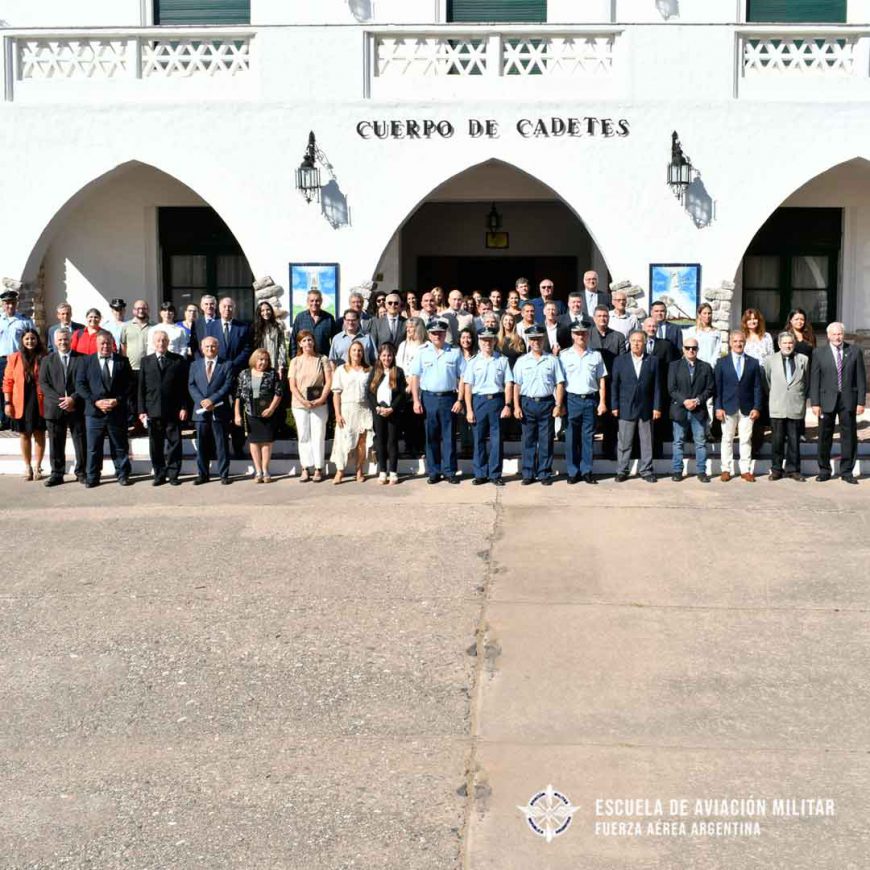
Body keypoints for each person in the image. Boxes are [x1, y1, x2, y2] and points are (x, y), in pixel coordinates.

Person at [810, 321, 867, 484]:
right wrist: (815, 403)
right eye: (834, 334)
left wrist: (861, 401)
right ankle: (824, 470)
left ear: (844, 334)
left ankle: (847, 471)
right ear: (828, 336)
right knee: (824, 436)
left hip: (848, 400)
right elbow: (815, 380)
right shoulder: (819, 353)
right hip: (825, 400)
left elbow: (861, 379)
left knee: (848, 436)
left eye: (840, 333)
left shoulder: (854, 351)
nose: (837, 337)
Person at [76, 330, 133, 487]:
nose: (105, 346)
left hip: (117, 411)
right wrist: (96, 401)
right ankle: (93, 476)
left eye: (108, 342)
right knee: (93, 447)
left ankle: (123, 474)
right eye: (102, 343)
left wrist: (117, 400)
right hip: (94, 412)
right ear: (96, 344)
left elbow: (129, 385)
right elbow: (80, 385)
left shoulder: (122, 361)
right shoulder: (86, 361)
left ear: (113, 344)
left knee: (120, 446)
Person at [409, 318, 463, 485]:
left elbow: (463, 378)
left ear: (445, 333)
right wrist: (416, 400)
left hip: (448, 398)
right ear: (429, 335)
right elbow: (415, 377)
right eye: (434, 333)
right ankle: (434, 471)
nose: (437, 335)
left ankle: (450, 471)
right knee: (431, 436)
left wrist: (460, 399)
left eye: (440, 333)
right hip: (429, 398)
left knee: (449, 436)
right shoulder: (422, 352)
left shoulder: (454, 352)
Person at [512, 324, 564, 485]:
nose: (536, 342)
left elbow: (559, 384)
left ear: (544, 340)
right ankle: (528, 473)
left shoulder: (552, 360)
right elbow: (516, 385)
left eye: (539, 339)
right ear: (528, 340)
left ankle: (544, 473)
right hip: (527, 403)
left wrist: (558, 404)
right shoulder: (522, 361)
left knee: (546, 440)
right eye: (533, 339)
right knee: (528, 440)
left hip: (547, 403)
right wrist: (516, 406)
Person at [463, 327, 513, 486]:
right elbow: (468, 387)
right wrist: (469, 410)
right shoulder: (472, 362)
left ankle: (495, 474)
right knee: (478, 439)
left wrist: (507, 404)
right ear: (479, 341)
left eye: (490, 339)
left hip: (497, 401)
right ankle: (480, 473)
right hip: (479, 402)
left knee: (497, 440)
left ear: (494, 341)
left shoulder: (502, 360)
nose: (487, 343)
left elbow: (508, 384)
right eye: (484, 340)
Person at [138, 329, 189, 486]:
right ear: (154, 343)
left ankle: (173, 474)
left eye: (164, 340)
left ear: (168, 342)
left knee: (175, 443)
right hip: (153, 410)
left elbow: (183, 387)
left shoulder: (178, 360)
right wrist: (141, 411)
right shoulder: (146, 361)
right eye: (158, 340)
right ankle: (159, 474)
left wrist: (184, 407)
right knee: (156, 445)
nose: (161, 343)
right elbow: (141, 388)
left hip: (173, 410)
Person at [612, 330, 662, 483]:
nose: (636, 343)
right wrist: (614, 406)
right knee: (624, 442)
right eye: (633, 340)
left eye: (639, 341)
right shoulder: (620, 361)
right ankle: (622, 470)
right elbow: (615, 385)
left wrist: (657, 407)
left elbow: (657, 387)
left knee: (646, 442)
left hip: (646, 408)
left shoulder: (653, 361)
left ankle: (646, 470)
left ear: (645, 343)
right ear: (629, 342)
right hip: (626, 406)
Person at [560, 322, 607, 485]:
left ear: (588, 335)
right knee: (571, 437)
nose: (581, 336)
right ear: (572, 335)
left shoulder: (596, 355)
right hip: (571, 399)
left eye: (584, 333)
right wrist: (560, 404)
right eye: (577, 333)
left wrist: (602, 402)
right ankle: (573, 472)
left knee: (588, 437)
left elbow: (601, 380)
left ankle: (586, 471)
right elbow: (559, 382)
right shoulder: (564, 355)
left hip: (590, 400)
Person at [39, 328, 86, 486]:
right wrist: (61, 401)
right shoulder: (47, 360)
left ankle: (82, 472)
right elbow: (44, 384)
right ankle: (57, 473)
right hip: (55, 408)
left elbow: (84, 383)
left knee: (80, 441)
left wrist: (72, 399)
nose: (63, 342)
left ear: (71, 340)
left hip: (76, 407)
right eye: (59, 340)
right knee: (56, 442)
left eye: (65, 339)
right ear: (54, 342)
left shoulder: (81, 359)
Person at [715, 330, 763, 482]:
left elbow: (757, 387)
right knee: (727, 439)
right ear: (730, 343)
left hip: (747, 408)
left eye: (741, 341)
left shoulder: (753, 363)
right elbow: (718, 388)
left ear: (745, 342)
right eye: (735, 341)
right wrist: (718, 407)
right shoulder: (722, 363)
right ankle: (726, 469)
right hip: (727, 406)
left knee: (745, 439)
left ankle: (745, 470)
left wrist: (757, 407)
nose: (738, 344)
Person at [287, 329, 332, 483]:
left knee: (318, 435)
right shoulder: (295, 361)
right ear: (300, 343)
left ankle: (319, 468)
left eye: (310, 340)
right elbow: (292, 386)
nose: (307, 343)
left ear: (314, 342)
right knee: (304, 436)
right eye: (304, 340)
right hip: (299, 404)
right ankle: (305, 468)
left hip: (319, 403)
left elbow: (328, 382)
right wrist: (303, 401)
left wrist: (321, 399)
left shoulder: (322, 359)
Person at [764, 332, 809, 482]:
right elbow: (767, 381)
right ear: (779, 344)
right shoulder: (770, 360)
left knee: (794, 440)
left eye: (790, 343)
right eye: (785, 343)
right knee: (777, 440)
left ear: (794, 344)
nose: (788, 345)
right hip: (777, 405)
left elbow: (806, 381)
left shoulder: (803, 359)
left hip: (795, 406)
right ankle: (776, 469)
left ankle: (793, 470)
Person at [235, 348, 284, 483]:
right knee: (254, 442)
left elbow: (278, 393)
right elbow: (238, 395)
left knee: (267, 442)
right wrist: (237, 414)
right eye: (261, 359)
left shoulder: (272, 374)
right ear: (254, 360)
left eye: (266, 360)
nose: (264, 362)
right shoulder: (244, 374)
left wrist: (271, 409)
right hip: (250, 413)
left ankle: (266, 470)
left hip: (268, 413)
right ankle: (258, 471)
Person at [188, 336, 233, 485]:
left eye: (213, 346)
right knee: (202, 445)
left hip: (219, 410)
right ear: (202, 348)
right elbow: (191, 385)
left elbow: (227, 385)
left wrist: (212, 400)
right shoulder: (195, 365)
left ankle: (224, 474)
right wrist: (202, 401)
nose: (210, 349)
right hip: (200, 411)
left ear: (218, 348)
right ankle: (203, 474)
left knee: (221, 444)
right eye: (207, 347)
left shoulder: (226, 364)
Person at [3, 328, 46, 479]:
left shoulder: (45, 356)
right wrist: (7, 402)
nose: (30, 341)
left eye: (33, 338)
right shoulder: (14, 358)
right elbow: (7, 382)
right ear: (22, 340)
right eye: (27, 339)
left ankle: (38, 466)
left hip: (40, 401)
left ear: (37, 340)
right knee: (24, 434)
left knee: (39, 434)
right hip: (21, 401)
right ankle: (27, 467)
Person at [668, 338, 714, 482]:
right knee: (678, 442)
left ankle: (701, 471)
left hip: (698, 410)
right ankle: (677, 471)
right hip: (680, 409)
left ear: (697, 349)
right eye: (688, 348)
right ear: (683, 349)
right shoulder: (674, 366)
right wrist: (685, 401)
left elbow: (710, 388)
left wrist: (698, 400)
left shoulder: (705, 367)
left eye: (693, 348)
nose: (691, 350)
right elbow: (671, 389)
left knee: (700, 442)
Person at [330, 340, 373, 484]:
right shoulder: (341, 370)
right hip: (347, 409)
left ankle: (359, 470)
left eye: (360, 350)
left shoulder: (369, 370)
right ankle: (340, 471)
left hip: (364, 409)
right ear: (349, 352)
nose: (357, 353)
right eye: (354, 350)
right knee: (343, 441)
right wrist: (337, 414)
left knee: (362, 442)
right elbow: (336, 393)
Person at [588, 305, 625, 461]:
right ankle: (587, 453)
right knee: (590, 419)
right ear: (594, 318)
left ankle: (609, 451)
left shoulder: (618, 336)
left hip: (611, 382)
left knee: (611, 420)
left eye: (605, 316)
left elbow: (622, 360)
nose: (603, 318)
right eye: (600, 316)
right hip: (591, 383)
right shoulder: (587, 334)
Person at [366, 342, 407, 485]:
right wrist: (377, 407)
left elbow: (402, 394)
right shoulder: (375, 371)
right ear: (379, 356)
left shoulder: (398, 372)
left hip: (392, 412)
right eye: (384, 355)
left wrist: (392, 408)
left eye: (389, 355)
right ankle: (382, 471)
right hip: (379, 411)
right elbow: (369, 393)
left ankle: (393, 472)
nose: (387, 358)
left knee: (392, 441)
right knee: (381, 441)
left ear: (393, 356)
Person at [642, 316, 680, 457]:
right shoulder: (638, 343)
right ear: (643, 327)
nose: (651, 329)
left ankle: (657, 452)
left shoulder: (666, 345)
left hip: (660, 388)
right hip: (642, 390)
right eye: (649, 326)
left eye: (654, 326)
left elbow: (672, 368)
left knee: (658, 422)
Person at [0, 288, 36, 430]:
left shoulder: (25, 321)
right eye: (7, 303)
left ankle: (15, 418)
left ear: (17, 304)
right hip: (1, 360)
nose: (10, 306)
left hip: (19, 360)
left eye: (12, 303)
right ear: (2, 304)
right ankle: (3, 420)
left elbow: (33, 340)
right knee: (1, 390)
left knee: (17, 389)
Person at [741, 307, 774, 458]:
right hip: (747, 377)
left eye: (755, 318)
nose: (752, 321)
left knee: (760, 410)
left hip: (764, 375)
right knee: (749, 410)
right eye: (749, 319)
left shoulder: (766, 337)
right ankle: (748, 446)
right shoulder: (742, 337)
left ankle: (758, 445)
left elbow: (771, 357)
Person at [120, 299, 153, 430]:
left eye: (144, 308)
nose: (141, 310)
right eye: (138, 308)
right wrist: (124, 365)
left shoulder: (154, 326)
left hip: (149, 369)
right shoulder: (126, 327)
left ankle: (147, 424)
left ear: (147, 310)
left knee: (147, 397)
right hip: (132, 368)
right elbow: (123, 346)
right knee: (132, 398)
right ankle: (134, 424)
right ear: (134, 310)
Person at [786, 307, 816, 441]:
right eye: (796, 319)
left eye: (802, 319)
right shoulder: (785, 336)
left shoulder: (809, 336)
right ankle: (788, 432)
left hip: (805, 374)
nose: (800, 322)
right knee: (789, 404)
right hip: (789, 374)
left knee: (801, 404)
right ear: (791, 320)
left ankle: (800, 432)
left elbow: (814, 356)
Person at [290, 289, 337, 357]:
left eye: (317, 301)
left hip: (323, 358)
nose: (314, 303)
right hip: (304, 359)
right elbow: (293, 339)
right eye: (312, 301)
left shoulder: (329, 318)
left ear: (321, 301)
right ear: (307, 302)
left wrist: (332, 359)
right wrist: (294, 358)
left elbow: (335, 341)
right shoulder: (300, 318)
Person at [252, 300, 288, 380]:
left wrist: (281, 364)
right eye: (262, 310)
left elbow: (282, 346)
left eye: (268, 309)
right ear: (259, 313)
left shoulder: (278, 327)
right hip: (260, 363)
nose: (266, 312)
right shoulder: (255, 328)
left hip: (274, 363)